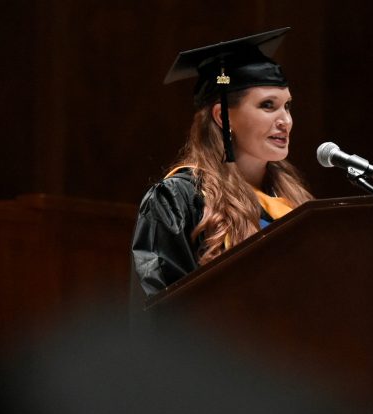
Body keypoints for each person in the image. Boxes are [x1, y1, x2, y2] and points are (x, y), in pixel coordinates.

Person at [131, 28, 313, 297]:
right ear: (221, 116)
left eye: (287, 106)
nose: (285, 120)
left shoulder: (293, 201)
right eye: (268, 105)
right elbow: (164, 310)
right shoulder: (180, 201)